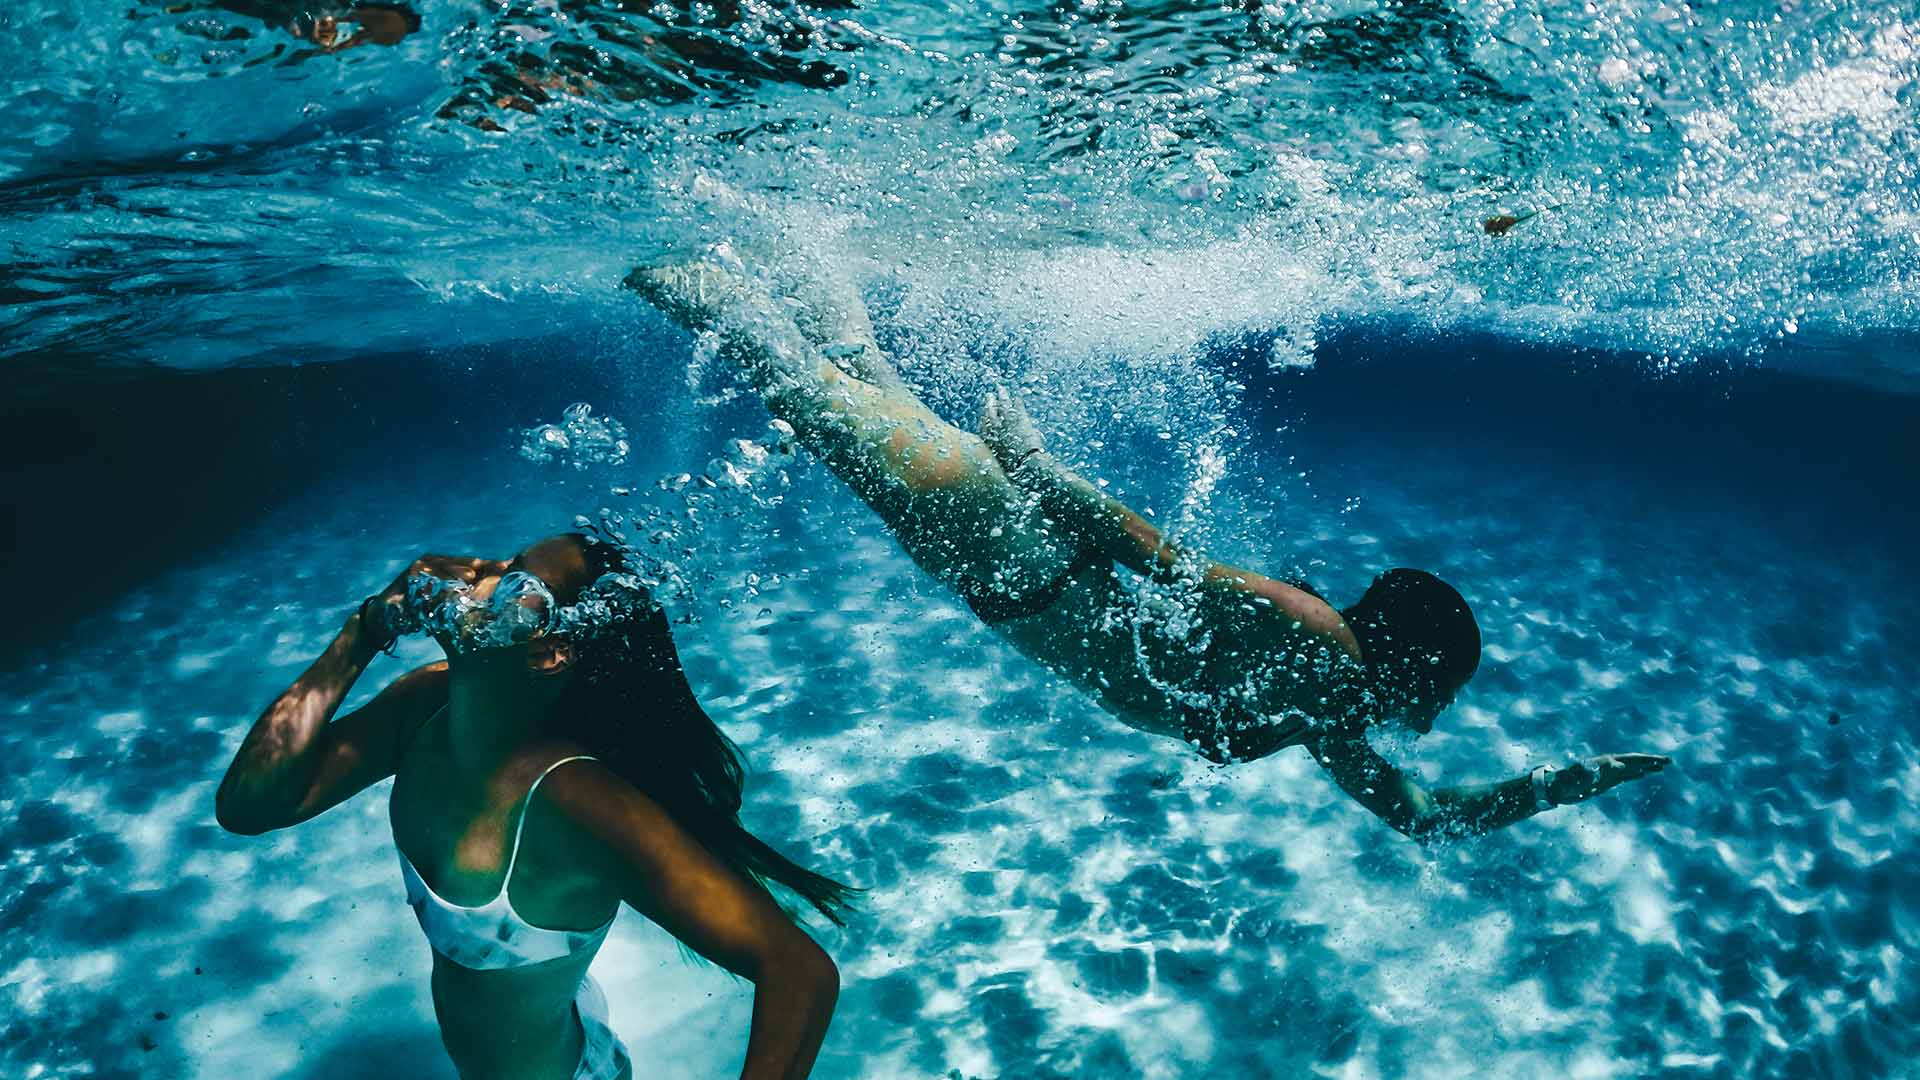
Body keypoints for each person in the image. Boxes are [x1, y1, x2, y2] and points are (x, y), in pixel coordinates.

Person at [629, 256, 1670, 843]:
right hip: (1010, 541)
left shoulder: (1328, 709)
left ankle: (795, 235)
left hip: (1002, 565)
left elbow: (1427, 819)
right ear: (1407, 654)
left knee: (844, 374)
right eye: (1442, 682)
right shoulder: (1319, 647)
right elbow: (1154, 555)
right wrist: (1031, 467)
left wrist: (1564, 785)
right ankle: (669, 240)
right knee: (801, 387)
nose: (1436, 709)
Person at [215, 533, 850, 1079]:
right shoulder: (426, 706)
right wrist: (366, 629)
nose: (480, 572)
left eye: (515, 576)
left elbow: (798, 971)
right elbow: (251, 805)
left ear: (549, 651)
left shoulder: (577, 801)